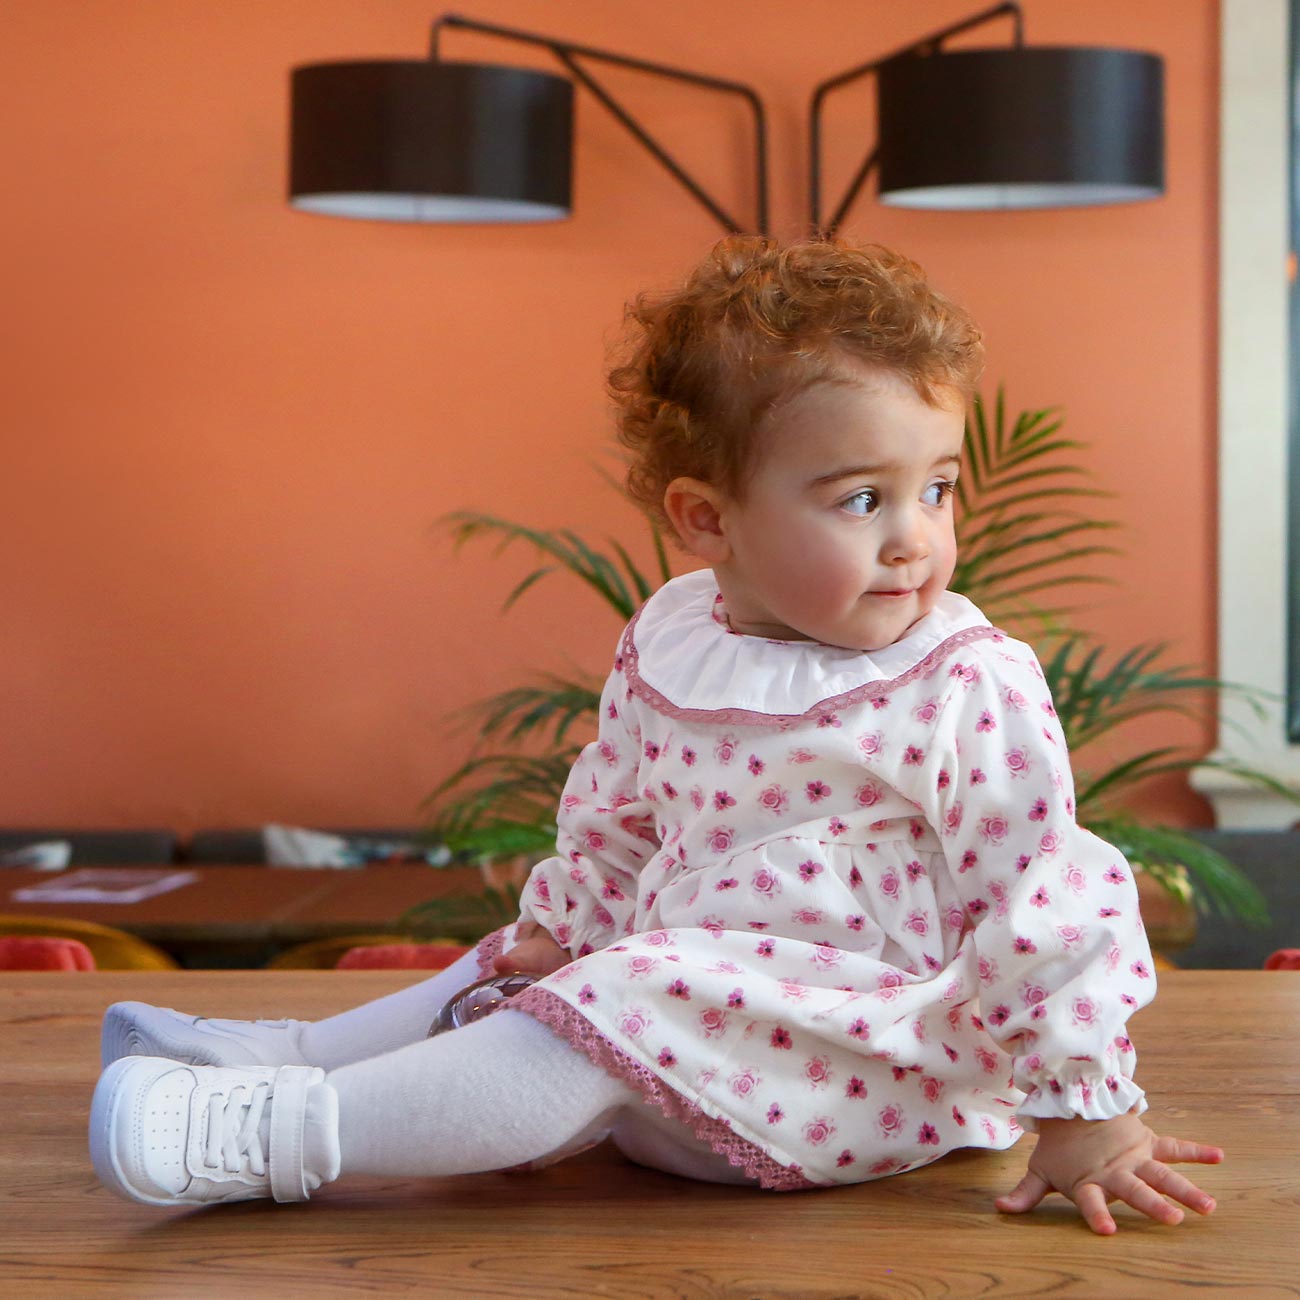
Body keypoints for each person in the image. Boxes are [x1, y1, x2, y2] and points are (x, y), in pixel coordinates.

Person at [89, 235, 1222, 1232]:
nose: (914, 539)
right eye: (861, 499)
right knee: (530, 962)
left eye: (937, 487)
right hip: (686, 1018)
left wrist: (1085, 1111)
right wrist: (564, 927)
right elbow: (618, 807)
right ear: (705, 518)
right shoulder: (676, 636)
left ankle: (277, 1136)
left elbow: (1040, 892)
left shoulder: (961, 679)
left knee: (622, 992)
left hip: (861, 1065)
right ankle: (270, 1060)